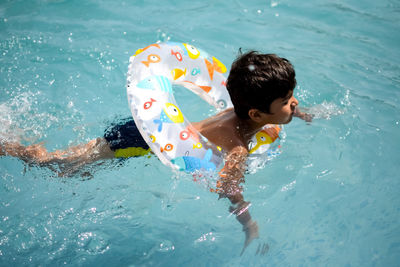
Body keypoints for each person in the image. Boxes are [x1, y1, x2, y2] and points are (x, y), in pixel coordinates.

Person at [0, 51, 312, 254]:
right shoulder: (239, 146)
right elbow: (228, 187)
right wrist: (249, 224)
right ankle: (12, 147)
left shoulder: (250, 110)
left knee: (75, 171)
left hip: (154, 126)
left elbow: (279, 112)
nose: (294, 103)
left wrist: (299, 113)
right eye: (286, 101)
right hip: (140, 139)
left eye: (291, 96)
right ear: (257, 114)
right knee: (56, 164)